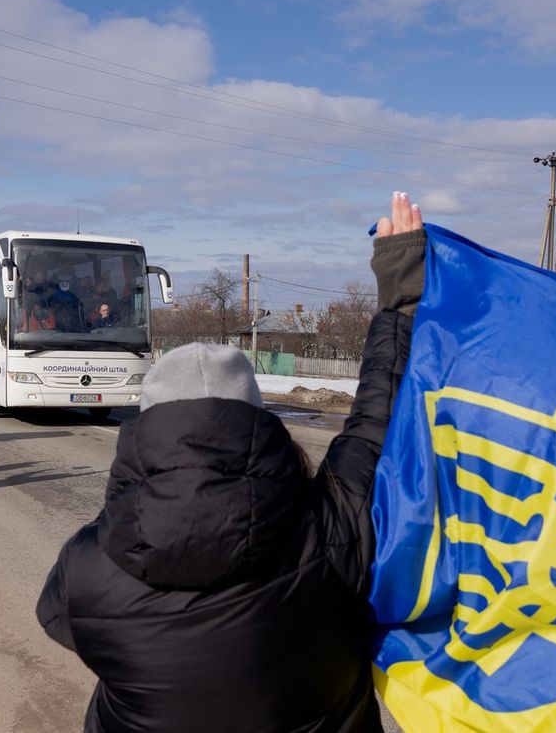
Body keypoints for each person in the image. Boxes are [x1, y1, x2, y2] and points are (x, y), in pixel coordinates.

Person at [36, 191, 425, 732]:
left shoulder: (89, 565)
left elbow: (56, 617)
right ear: (259, 426)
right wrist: (401, 294)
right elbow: (380, 416)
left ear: (145, 434)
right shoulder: (335, 528)